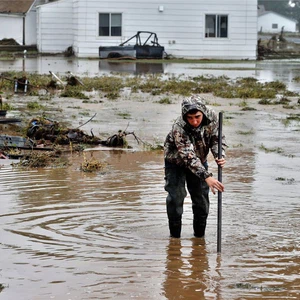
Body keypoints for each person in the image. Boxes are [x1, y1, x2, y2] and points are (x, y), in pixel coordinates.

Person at [164, 95, 227, 238]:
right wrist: (207, 176)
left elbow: (217, 139)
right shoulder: (179, 127)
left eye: (197, 117)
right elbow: (188, 156)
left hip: (200, 158)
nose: (194, 121)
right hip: (176, 162)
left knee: (201, 201)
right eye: (190, 118)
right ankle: (175, 240)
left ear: (203, 113)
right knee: (176, 198)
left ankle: (199, 239)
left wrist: (220, 154)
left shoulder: (212, 118)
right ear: (184, 116)